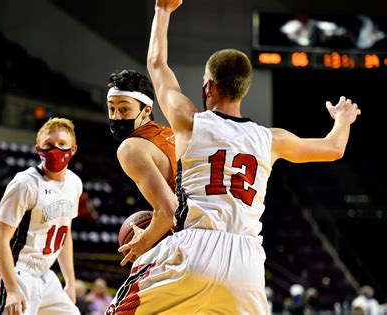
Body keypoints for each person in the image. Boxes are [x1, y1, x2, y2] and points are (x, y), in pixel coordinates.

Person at [106, 0, 361, 313]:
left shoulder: (189, 121)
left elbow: (157, 65)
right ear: (243, 90)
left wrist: (162, 11)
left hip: (195, 249)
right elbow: (333, 148)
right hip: (248, 264)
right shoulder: (272, 139)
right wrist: (343, 120)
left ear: (208, 87)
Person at [0, 117, 82, 315]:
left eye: (62, 144)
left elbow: (65, 234)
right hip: (14, 272)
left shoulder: (74, 183)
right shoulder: (25, 184)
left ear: (73, 149)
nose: (56, 149)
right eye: (49, 145)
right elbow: (0, 239)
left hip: (44, 275)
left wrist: (70, 281)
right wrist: (12, 288)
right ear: (38, 149)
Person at [106, 69, 177, 265]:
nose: (116, 117)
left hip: (190, 241)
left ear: (146, 110)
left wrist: (143, 243)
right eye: (111, 109)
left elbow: (169, 211)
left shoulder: (131, 148)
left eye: (124, 109)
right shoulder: (172, 133)